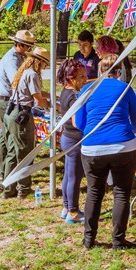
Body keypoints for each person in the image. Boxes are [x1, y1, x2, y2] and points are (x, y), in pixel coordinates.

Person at [75, 54, 136, 250]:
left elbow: (79, 122)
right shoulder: (125, 88)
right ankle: (118, 240)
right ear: (119, 71)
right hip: (123, 146)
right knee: (121, 193)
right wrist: (127, 130)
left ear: (98, 71)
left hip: (92, 148)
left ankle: (89, 239)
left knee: (94, 193)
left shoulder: (87, 89)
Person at [3, 47, 51, 199]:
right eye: (45, 64)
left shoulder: (24, 71)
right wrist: (53, 105)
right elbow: (38, 99)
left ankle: (8, 188)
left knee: (12, 152)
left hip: (11, 113)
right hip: (21, 115)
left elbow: (34, 92)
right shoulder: (33, 74)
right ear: (40, 62)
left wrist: (51, 95)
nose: (45, 67)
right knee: (25, 153)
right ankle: (23, 188)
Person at [0, 30, 34, 182]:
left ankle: (4, 173)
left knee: (7, 138)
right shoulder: (12, 59)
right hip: (6, 101)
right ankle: (8, 176)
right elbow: (16, 82)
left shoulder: (17, 57)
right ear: (19, 45)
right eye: (28, 47)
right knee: (11, 140)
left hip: (6, 100)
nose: (29, 51)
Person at [57, 59, 88, 223]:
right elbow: (77, 122)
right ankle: (73, 212)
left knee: (68, 175)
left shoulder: (65, 91)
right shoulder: (74, 96)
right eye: (81, 76)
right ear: (70, 78)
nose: (85, 79)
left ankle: (66, 207)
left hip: (67, 138)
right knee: (75, 177)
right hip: (75, 139)